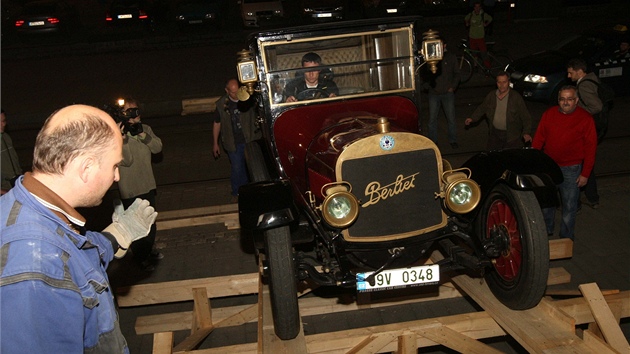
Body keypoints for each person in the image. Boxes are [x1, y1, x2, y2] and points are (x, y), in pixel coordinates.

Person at [0, 104, 157, 353]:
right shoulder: (34, 268)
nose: (116, 177)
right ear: (86, 168)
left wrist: (115, 237)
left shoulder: (31, 207)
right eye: (114, 166)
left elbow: (73, 256)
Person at [532, 86, 597, 240]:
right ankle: (546, 232)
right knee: (547, 203)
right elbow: (539, 139)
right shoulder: (549, 114)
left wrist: (585, 174)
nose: (565, 102)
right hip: (549, 167)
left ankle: (566, 238)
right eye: (562, 99)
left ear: (576, 101)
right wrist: (534, 162)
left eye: (569, 99)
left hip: (572, 169)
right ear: (558, 100)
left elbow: (591, 149)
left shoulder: (585, 119)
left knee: (569, 206)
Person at [118, 97, 164, 271]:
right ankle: (140, 258)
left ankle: (147, 251)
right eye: (128, 112)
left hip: (147, 184)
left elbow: (157, 147)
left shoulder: (145, 129)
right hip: (130, 188)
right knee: (137, 225)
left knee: (150, 222)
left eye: (135, 111)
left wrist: (142, 135)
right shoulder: (117, 135)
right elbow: (127, 160)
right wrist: (124, 139)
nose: (133, 115)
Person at [213, 79, 262, 199]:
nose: (236, 94)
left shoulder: (248, 98)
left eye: (237, 91)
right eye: (233, 92)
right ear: (227, 91)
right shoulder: (221, 104)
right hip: (232, 142)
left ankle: (252, 191)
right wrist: (215, 143)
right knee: (237, 168)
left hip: (250, 140)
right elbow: (217, 123)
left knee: (252, 167)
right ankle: (237, 191)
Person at [464, 71, 532, 150]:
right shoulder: (492, 95)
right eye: (499, 82)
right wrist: (472, 118)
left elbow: (526, 117)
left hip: (512, 135)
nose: (502, 85)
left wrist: (526, 133)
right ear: (496, 83)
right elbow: (482, 108)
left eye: (504, 82)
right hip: (495, 133)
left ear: (509, 82)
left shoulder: (515, 97)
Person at [567, 58, 601, 209]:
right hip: (593, 127)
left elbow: (596, 106)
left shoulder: (584, 85)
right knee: (587, 163)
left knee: (579, 162)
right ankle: (592, 198)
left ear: (579, 72)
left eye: (570, 73)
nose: (569, 76)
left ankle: (578, 202)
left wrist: (579, 112)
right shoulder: (591, 79)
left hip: (587, 128)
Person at [423, 43, 461, 149]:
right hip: (434, 94)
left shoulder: (451, 57)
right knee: (432, 120)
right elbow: (424, 73)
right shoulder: (430, 57)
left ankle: (453, 140)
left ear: (444, 45)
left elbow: (457, 74)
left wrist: (452, 86)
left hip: (447, 93)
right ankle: (433, 142)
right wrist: (428, 86)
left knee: (451, 118)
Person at [464, 1, 492, 68]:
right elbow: (465, 19)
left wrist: (486, 24)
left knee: (483, 53)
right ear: (474, 8)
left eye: (478, 7)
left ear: (480, 7)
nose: (477, 8)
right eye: (476, 7)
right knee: (474, 53)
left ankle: (488, 67)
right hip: (472, 37)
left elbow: (490, 18)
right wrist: (467, 23)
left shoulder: (483, 15)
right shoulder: (471, 14)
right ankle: (475, 65)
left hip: (480, 37)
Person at [1, 109, 22, 195]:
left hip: (16, 185)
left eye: (3, 121)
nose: (2, 125)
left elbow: (14, 160)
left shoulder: (6, 138)